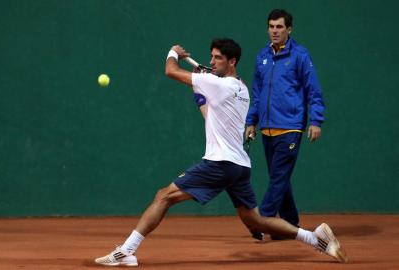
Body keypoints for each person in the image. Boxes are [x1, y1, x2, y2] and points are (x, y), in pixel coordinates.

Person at [94, 38, 345, 267]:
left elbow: (170, 70)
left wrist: (174, 52)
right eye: (211, 57)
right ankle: (316, 239)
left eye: (217, 58)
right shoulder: (241, 89)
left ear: (232, 61)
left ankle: (127, 250)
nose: (212, 62)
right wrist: (200, 91)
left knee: (163, 196)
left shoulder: (216, 84)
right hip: (238, 166)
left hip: (220, 163)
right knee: (255, 221)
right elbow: (209, 114)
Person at [245, 9, 326, 240]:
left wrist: (316, 121)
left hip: (291, 127)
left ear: (289, 29)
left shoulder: (300, 55)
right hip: (267, 129)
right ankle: (289, 224)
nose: (274, 31)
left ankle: (263, 220)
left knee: (279, 176)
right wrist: (251, 121)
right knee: (279, 177)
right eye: (271, 26)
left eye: (279, 27)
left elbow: (314, 90)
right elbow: (257, 93)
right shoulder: (262, 56)